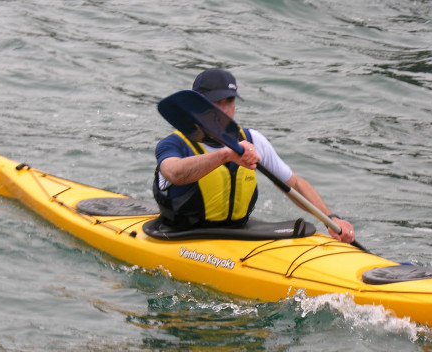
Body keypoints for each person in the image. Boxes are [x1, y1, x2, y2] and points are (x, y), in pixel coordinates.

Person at [153, 68, 356, 244]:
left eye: (230, 101)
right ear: (197, 106)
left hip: (239, 234)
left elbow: (294, 184)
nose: (225, 110)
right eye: (216, 102)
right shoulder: (174, 144)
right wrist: (225, 155)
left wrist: (330, 218)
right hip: (182, 235)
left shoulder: (252, 140)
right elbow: (174, 173)